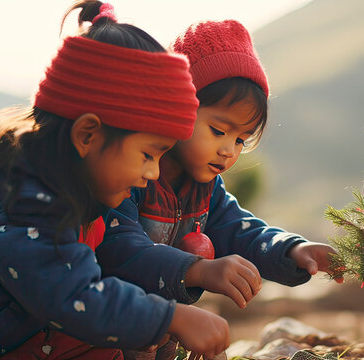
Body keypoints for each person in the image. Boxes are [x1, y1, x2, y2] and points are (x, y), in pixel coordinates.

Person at [0, 2, 230, 359]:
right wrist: (170, 317)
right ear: (87, 136)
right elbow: (72, 297)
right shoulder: (23, 204)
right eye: (148, 154)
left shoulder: (76, 194)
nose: (154, 173)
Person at [98, 19, 343, 316]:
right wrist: (197, 271)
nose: (229, 150)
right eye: (217, 131)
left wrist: (293, 250)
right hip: (102, 327)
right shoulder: (130, 175)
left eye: (241, 139)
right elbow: (120, 248)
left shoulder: (207, 189)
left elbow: (242, 233)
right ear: (177, 108)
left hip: (159, 331)